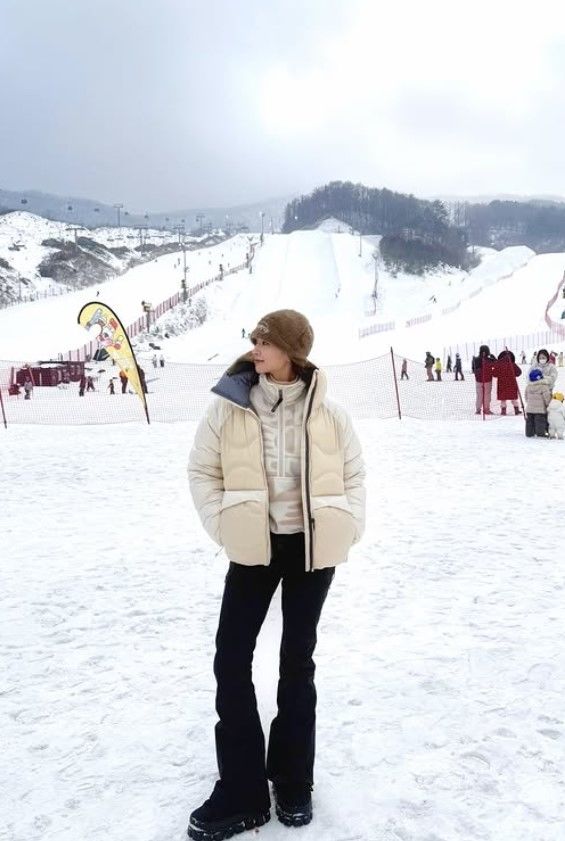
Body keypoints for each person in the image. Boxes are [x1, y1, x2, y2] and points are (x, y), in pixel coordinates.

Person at [187, 309, 366, 841]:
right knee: (232, 657)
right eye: (255, 338)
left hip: (312, 551)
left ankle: (292, 779)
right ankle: (242, 790)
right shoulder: (230, 407)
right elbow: (202, 469)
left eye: (264, 340)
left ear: (292, 351)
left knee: (297, 661)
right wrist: (224, 525)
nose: (254, 347)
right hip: (253, 549)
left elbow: (354, 473)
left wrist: (346, 525)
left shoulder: (330, 415)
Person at [494, 350, 522, 415]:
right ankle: (516, 410)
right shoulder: (512, 364)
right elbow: (519, 372)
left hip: (502, 385)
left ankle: (503, 411)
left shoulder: (499, 365)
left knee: (503, 399)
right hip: (512, 384)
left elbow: (494, 374)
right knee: (513, 398)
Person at [525, 368, 551, 437]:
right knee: (540, 422)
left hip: (529, 409)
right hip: (540, 410)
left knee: (529, 422)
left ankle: (529, 433)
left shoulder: (528, 386)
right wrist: (548, 405)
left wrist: (529, 403)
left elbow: (526, 397)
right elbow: (547, 398)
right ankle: (540, 433)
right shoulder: (544, 387)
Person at [472, 345, 496, 414]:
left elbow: (473, 370)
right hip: (487, 380)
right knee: (487, 395)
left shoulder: (475, 359)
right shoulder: (489, 360)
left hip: (478, 380)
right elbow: (496, 364)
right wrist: (494, 359)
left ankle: (478, 409)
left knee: (479, 395)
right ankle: (486, 409)